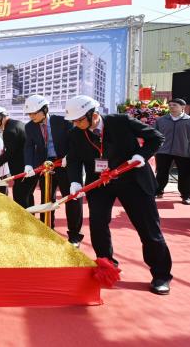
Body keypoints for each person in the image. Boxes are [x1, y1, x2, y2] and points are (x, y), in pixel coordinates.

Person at [65, 95, 172, 295]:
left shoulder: (120, 121)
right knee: (97, 225)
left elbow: (156, 137)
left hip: (133, 180)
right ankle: (107, 266)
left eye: (79, 120)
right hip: (100, 183)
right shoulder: (75, 133)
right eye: (73, 121)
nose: (76, 124)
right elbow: (73, 160)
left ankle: (161, 275)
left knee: (148, 228)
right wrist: (75, 181)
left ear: (93, 115)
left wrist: (141, 155)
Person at [22, 95, 83, 246]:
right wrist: (28, 164)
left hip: (65, 164)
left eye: (34, 113)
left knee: (71, 199)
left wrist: (69, 156)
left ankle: (74, 236)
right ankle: (47, 230)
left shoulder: (62, 122)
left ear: (44, 109)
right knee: (46, 198)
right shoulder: (29, 127)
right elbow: (29, 147)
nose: (31, 116)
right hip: (47, 166)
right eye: (29, 114)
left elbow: (76, 141)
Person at [0, 106, 27, 206]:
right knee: (27, 196)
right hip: (27, 166)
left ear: (0, 117)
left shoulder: (9, 131)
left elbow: (10, 153)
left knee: (19, 197)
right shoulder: (18, 123)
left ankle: (22, 216)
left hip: (21, 168)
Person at [154, 98, 190, 203]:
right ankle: (158, 191)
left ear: (183, 107)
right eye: (170, 105)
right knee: (161, 173)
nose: (171, 107)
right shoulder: (160, 120)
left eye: (175, 105)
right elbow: (154, 135)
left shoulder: (188, 120)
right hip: (163, 152)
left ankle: (186, 195)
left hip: (184, 152)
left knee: (185, 174)